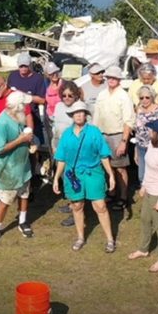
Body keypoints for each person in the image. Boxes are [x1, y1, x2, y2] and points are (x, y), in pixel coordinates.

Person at [52, 101, 117, 253]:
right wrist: (56, 178)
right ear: (72, 116)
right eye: (76, 113)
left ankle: (109, 239)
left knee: (100, 206)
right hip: (73, 175)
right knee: (77, 205)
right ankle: (80, 237)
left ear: (86, 115)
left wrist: (111, 175)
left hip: (93, 173)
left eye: (82, 113)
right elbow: (61, 158)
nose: (79, 115)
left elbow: (103, 155)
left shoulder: (94, 132)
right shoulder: (66, 134)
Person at [0, 91, 36, 245]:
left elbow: (23, 135)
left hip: (22, 167)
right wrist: (21, 139)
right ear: (17, 106)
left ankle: (22, 221)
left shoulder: (18, 117)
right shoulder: (2, 123)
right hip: (8, 170)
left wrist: (30, 142)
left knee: (24, 194)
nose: (26, 109)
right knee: (5, 200)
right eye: (24, 105)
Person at [128, 119, 158, 272]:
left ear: (157, 133)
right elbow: (147, 168)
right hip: (149, 190)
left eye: (151, 130)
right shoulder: (151, 146)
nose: (149, 131)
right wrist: (144, 186)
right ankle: (143, 249)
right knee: (145, 219)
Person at [92, 66, 135, 213]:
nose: (111, 80)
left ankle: (123, 197)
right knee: (106, 165)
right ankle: (111, 192)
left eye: (114, 78)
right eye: (109, 77)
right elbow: (96, 116)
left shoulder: (124, 96)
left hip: (117, 134)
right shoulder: (102, 94)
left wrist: (124, 141)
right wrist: (94, 135)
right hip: (102, 134)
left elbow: (128, 120)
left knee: (120, 167)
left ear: (119, 80)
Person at [51, 81, 81, 227]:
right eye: (64, 95)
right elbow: (55, 127)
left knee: (74, 180)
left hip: (74, 151)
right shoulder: (58, 107)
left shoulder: (79, 108)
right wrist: (54, 145)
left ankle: (76, 212)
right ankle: (71, 204)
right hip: (59, 148)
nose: (67, 98)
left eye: (70, 95)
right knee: (65, 179)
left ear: (76, 95)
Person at [133, 84, 158, 186]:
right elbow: (137, 131)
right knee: (141, 176)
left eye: (147, 97)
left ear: (152, 97)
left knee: (155, 174)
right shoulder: (138, 109)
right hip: (141, 146)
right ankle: (146, 195)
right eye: (141, 98)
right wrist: (136, 151)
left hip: (155, 146)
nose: (144, 100)